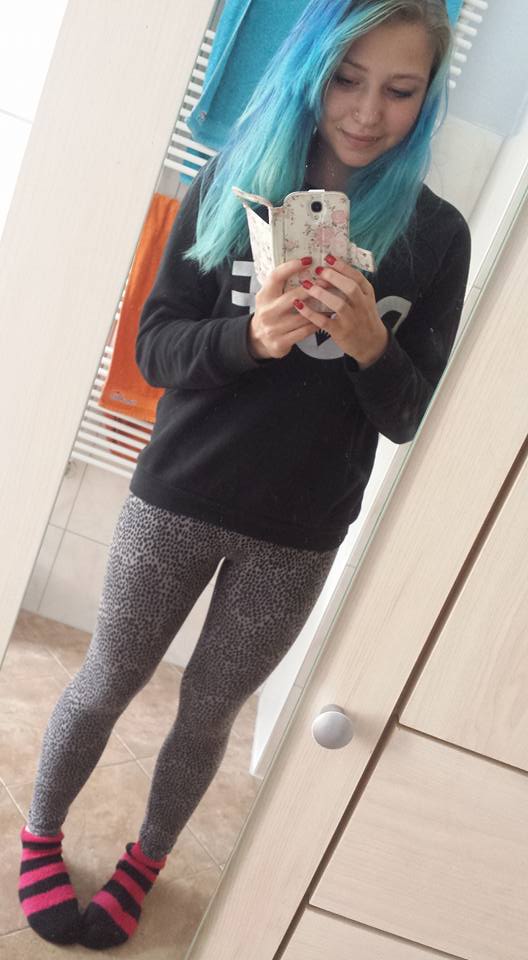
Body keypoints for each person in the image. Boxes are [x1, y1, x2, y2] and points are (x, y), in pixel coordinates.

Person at [18, 0, 471, 949]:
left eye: (400, 90)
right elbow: (152, 349)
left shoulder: (435, 236)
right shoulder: (234, 180)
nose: (366, 112)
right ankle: (40, 836)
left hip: (299, 534)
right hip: (177, 496)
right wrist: (249, 338)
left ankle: (146, 861)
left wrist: (370, 345)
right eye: (346, 78)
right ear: (310, 71)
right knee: (106, 680)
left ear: (429, 98)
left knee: (208, 714)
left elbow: (408, 416)